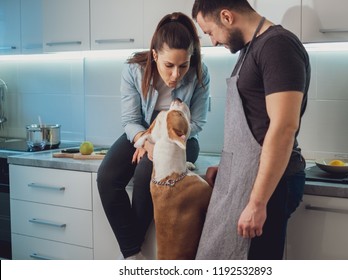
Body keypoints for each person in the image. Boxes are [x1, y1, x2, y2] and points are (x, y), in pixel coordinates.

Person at [191, 0, 310, 260]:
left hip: (271, 186)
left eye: (210, 32)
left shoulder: (278, 46)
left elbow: (283, 127)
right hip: (249, 177)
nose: (212, 42)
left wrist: (258, 204)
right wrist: (231, 167)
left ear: (226, 16)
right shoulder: (252, 48)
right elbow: (255, 122)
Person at [97, 12, 210, 260]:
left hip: (182, 140)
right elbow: (130, 120)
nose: (175, 74)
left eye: (183, 65)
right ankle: (133, 255)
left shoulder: (201, 73)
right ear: (155, 55)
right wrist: (145, 140)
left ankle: (130, 253)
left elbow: (198, 123)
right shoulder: (133, 69)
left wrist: (161, 141)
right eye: (169, 65)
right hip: (142, 131)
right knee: (106, 177)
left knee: (146, 170)